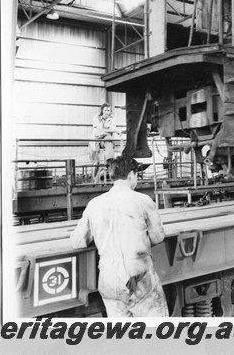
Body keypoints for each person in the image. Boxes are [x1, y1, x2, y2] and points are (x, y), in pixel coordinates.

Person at [69, 156, 169, 317]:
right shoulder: (143, 201)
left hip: (108, 279)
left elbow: (78, 241)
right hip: (136, 277)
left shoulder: (94, 204)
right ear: (131, 175)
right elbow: (158, 236)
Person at [88, 103, 119, 182]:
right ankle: (95, 181)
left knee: (109, 140)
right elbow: (101, 129)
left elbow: (109, 132)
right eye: (105, 110)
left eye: (108, 110)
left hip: (105, 138)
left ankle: (109, 161)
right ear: (102, 110)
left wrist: (108, 132)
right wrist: (115, 130)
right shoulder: (96, 117)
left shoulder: (112, 118)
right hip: (95, 139)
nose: (107, 112)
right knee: (95, 162)